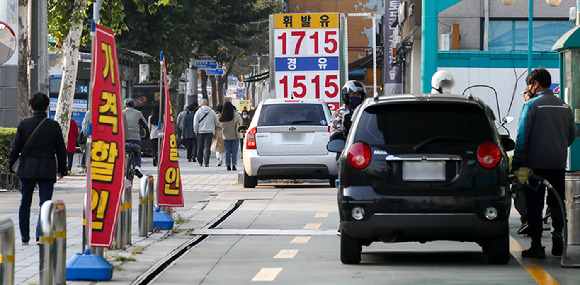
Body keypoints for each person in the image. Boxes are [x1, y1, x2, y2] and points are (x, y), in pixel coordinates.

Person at [512, 68, 576, 258]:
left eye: (528, 85)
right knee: (557, 200)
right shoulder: (565, 106)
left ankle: (537, 245)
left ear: (536, 84)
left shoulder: (531, 105)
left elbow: (522, 137)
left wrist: (517, 164)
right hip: (557, 162)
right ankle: (557, 236)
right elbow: (571, 136)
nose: (527, 89)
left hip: (535, 164)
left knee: (534, 203)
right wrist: (558, 147)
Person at [8, 92, 67, 245]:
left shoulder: (24, 124)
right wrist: (62, 169)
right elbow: (61, 149)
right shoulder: (53, 125)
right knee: (45, 203)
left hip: (27, 168)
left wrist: (11, 166)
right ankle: (40, 234)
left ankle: (24, 236)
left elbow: (15, 148)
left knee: (25, 201)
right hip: (47, 168)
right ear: (47, 107)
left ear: (31, 106)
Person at [122, 98, 148, 178]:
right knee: (137, 152)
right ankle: (137, 167)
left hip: (123, 138)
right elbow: (145, 126)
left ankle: (122, 167)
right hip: (135, 137)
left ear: (125, 106)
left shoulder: (121, 113)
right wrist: (146, 135)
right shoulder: (138, 113)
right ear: (134, 106)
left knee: (122, 152)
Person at [194, 99, 219, 167]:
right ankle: (206, 162)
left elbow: (195, 123)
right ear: (207, 104)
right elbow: (216, 122)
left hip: (200, 131)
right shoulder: (212, 112)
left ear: (201, 104)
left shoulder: (198, 112)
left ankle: (200, 161)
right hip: (210, 132)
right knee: (207, 147)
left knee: (200, 147)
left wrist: (196, 131)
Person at [220, 101, 243, 171]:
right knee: (234, 151)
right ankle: (234, 165)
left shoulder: (222, 116)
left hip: (226, 136)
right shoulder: (236, 115)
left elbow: (220, 125)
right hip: (235, 135)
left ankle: (228, 165)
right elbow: (240, 123)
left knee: (227, 151)